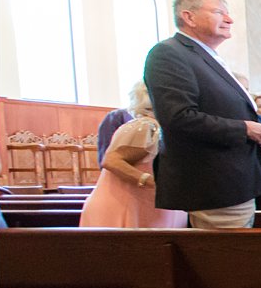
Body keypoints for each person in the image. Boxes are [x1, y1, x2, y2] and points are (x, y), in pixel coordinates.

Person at [143, 0, 261, 228]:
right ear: (189, 17)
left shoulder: (205, 57)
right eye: (219, 12)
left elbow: (221, 111)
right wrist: (244, 129)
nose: (229, 19)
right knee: (226, 259)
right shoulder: (169, 54)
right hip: (214, 185)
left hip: (235, 182)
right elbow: (178, 117)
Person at [79, 82, 187, 229]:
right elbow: (111, 160)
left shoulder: (162, 127)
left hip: (146, 207)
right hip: (125, 205)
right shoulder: (146, 126)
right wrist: (150, 181)